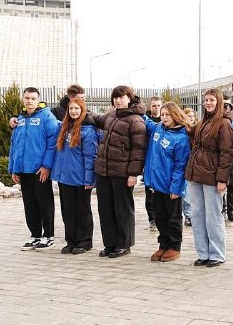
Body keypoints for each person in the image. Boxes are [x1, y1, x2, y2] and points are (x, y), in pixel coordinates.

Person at [91, 86, 148, 259]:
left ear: (129, 98)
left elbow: (139, 150)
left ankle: (124, 244)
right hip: (104, 171)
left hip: (122, 173)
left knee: (122, 209)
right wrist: (77, 109)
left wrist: (133, 174)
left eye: (121, 97)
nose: (118, 100)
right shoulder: (112, 115)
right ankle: (110, 243)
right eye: (115, 98)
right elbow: (95, 119)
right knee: (105, 208)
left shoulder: (136, 120)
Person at [186, 88, 233, 267]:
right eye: (206, 100)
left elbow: (226, 153)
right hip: (195, 173)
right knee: (197, 214)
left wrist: (222, 179)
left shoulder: (224, 124)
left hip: (212, 175)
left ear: (219, 102)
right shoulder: (203, 122)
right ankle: (203, 253)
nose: (208, 103)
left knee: (213, 215)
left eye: (212, 100)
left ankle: (217, 253)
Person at [9, 87, 60, 251]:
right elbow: (14, 145)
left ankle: (48, 236)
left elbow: (52, 143)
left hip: (40, 170)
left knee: (44, 203)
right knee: (29, 204)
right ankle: (35, 235)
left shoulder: (47, 117)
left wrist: (46, 166)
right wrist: (13, 168)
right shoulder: (20, 119)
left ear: (38, 100)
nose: (29, 101)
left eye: (32, 98)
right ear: (23, 99)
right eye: (27, 98)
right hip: (24, 170)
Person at [143, 102, 191, 263]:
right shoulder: (158, 129)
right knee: (160, 217)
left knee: (173, 217)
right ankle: (163, 244)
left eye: (167, 115)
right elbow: (147, 122)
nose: (164, 117)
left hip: (171, 186)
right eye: (162, 114)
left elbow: (180, 166)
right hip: (156, 184)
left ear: (175, 115)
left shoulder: (182, 138)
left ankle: (174, 246)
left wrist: (176, 188)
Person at [51, 97, 99, 254]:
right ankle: (71, 241)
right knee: (68, 211)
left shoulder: (88, 131)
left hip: (80, 179)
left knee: (82, 211)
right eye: (71, 108)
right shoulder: (65, 128)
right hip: (65, 178)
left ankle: (84, 242)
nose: (73, 111)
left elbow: (90, 157)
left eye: (76, 109)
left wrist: (89, 179)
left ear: (82, 110)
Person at [144, 96, 163, 232]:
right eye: (154, 106)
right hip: (149, 158)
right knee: (149, 192)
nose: (156, 108)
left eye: (158, 105)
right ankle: (152, 218)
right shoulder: (145, 121)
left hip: (162, 161)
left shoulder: (166, 121)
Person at [182, 108, 197, 227]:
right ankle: (188, 215)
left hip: (194, 165)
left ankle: (190, 215)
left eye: (193, 116)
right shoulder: (183, 130)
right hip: (184, 163)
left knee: (190, 193)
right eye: (188, 116)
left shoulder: (197, 129)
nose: (191, 118)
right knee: (185, 192)